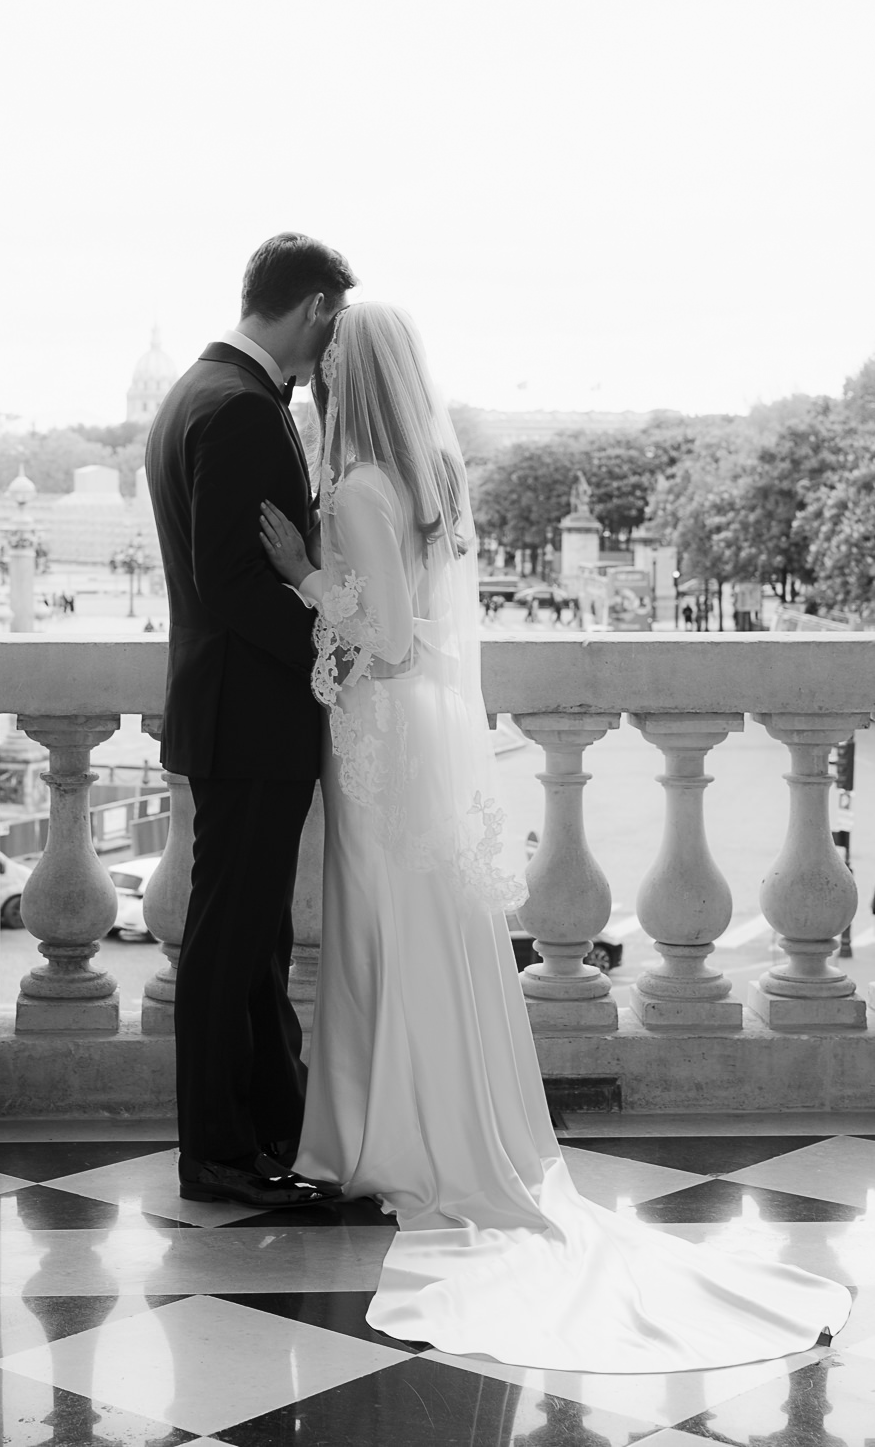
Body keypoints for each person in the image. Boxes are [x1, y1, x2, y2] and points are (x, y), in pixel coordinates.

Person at [259, 301, 850, 1372]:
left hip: (386, 739)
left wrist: (305, 573)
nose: (316, 384)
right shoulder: (429, 472)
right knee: (428, 937)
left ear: (349, 381)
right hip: (424, 734)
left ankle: (383, 1139)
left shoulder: (354, 488)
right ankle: (420, 1129)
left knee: (385, 934)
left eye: (327, 372)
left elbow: (387, 640)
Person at [145, 232, 356, 1209]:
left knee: (255, 939)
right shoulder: (242, 411)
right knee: (232, 942)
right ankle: (217, 1151)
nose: (332, 353)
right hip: (248, 719)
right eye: (333, 327)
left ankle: (272, 1117)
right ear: (315, 308)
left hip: (228, 713)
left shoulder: (197, 391)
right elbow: (234, 585)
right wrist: (329, 639)